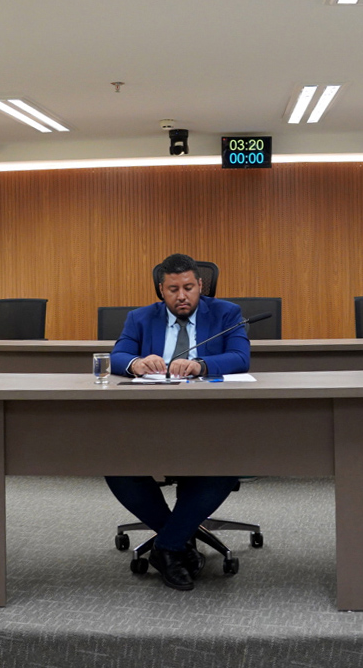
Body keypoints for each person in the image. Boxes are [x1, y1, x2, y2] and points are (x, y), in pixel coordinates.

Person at [106, 253, 250, 591]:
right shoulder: (140, 318)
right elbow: (117, 356)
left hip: (208, 422)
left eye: (188, 288)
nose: (182, 296)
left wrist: (201, 365)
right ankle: (178, 541)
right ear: (162, 290)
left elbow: (241, 358)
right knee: (114, 465)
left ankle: (168, 546)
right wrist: (136, 363)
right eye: (173, 290)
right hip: (151, 422)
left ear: (201, 285)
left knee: (226, 466)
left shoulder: (226, 313)